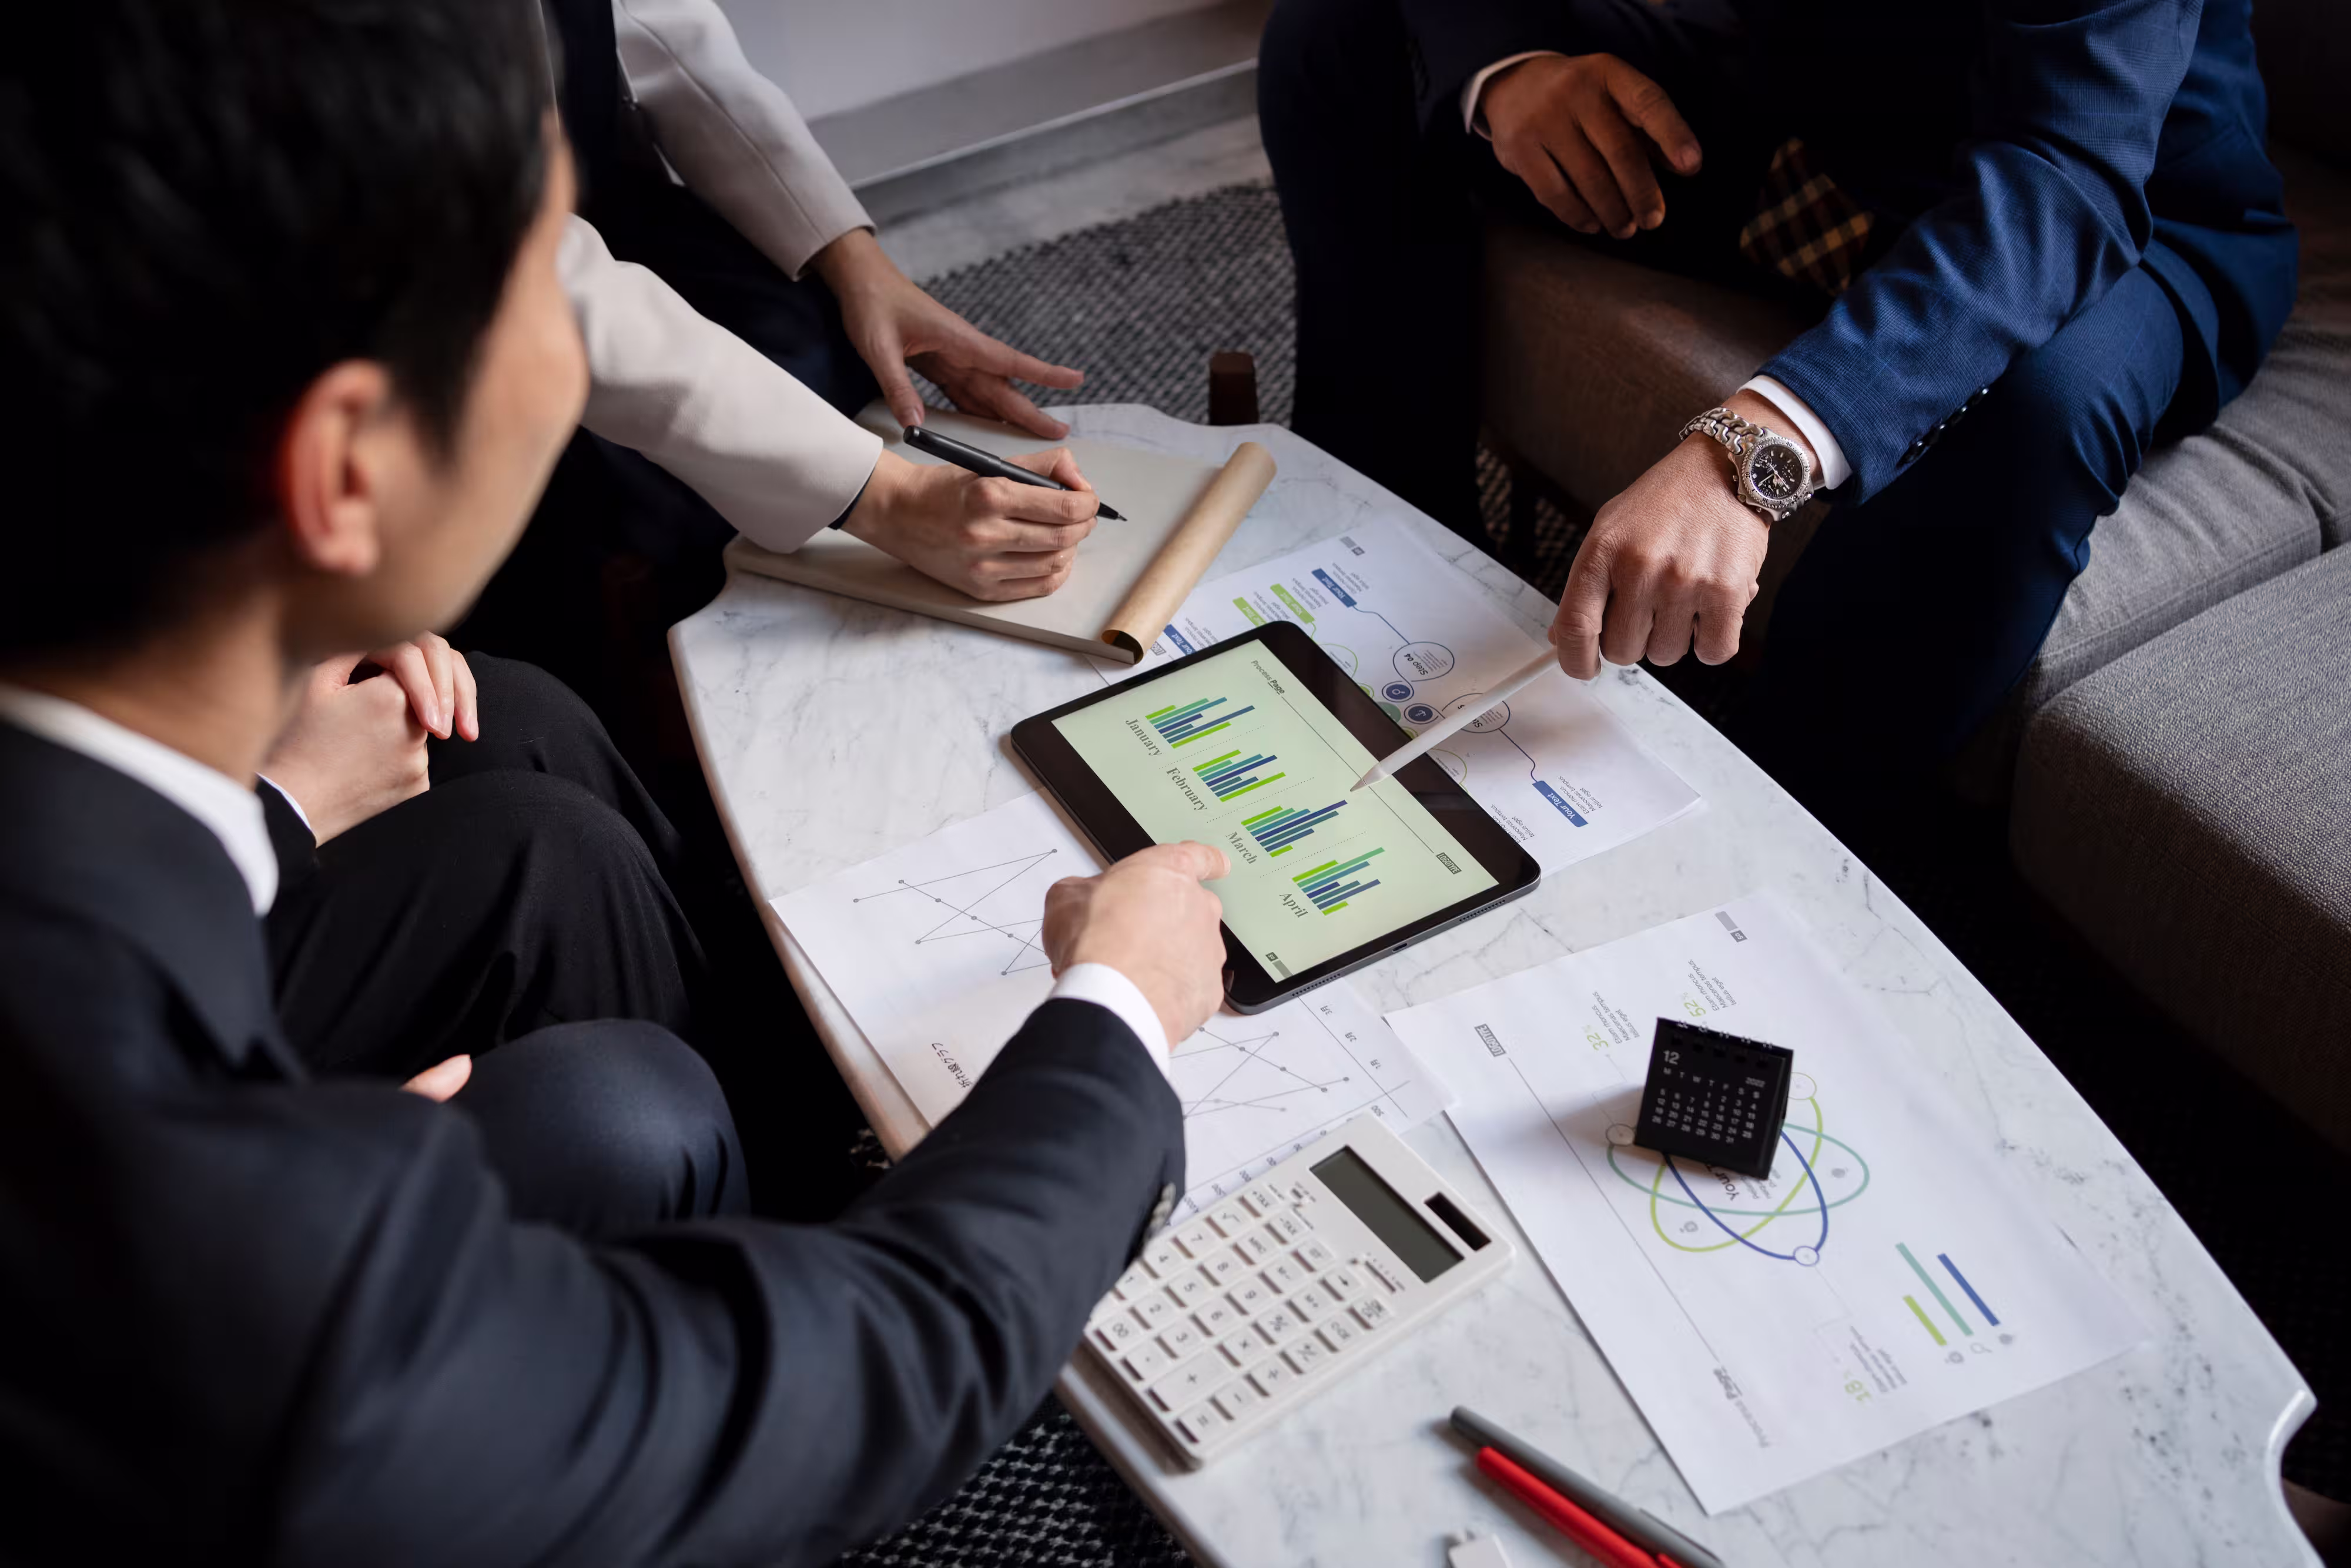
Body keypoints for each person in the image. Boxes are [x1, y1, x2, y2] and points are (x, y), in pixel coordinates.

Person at [0, 2, 1232, 1562]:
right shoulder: (242, 1259)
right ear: (344, 472)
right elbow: (867, 1370)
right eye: (538, 275)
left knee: (510, 733)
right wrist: (1115, 1018)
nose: (586, 299)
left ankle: (787, 1156)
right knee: (614, 1087)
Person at [1259, 0, 2298, 813]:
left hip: (2112, 207)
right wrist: (1515, 71)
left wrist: (1753, 445)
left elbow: (2067, 169)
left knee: (2032, 409)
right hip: (1812, 124)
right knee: (1341, 33)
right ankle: (1371, 575)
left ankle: (1770, 824)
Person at [462, 0, 1104, 711]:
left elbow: (659, 29)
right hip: (448, 268)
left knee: (822, 339)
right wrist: (885, 498)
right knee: (622, 501)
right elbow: (516, 264)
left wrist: (853, 260)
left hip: (592, 186)